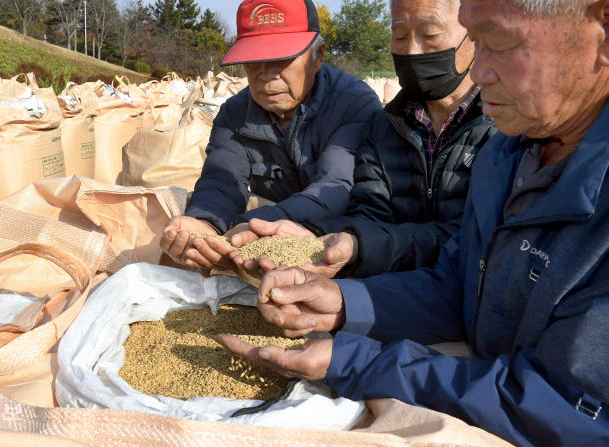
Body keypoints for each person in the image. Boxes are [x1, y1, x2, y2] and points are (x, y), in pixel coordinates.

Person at [217, 0, 609, 445]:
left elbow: (566, 406)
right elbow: (462, 286)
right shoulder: (507, 158)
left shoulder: (503, 142)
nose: (478, 72)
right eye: (477, 43)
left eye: (499, 42)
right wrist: (343, 301)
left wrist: (355, 361)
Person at [232, 0, 497, 280]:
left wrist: (357, 245)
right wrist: (315, 236)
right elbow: (370, 215)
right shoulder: (386, 126)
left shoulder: (504, 127)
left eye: (429, 35)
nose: (411, 50)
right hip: (403, 294)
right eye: (399, 36)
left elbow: (475, 239)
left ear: (476, 35)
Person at [160, 0, 382, 272]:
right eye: (254, 61)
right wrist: (205, 222)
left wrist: (255, 224)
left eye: (283, 59)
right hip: (273, 246)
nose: (267, 75)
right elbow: (221, 180)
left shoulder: (352, 104)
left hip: (344, 245)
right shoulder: (235, 115)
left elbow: (336, 184)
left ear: (318, 56)